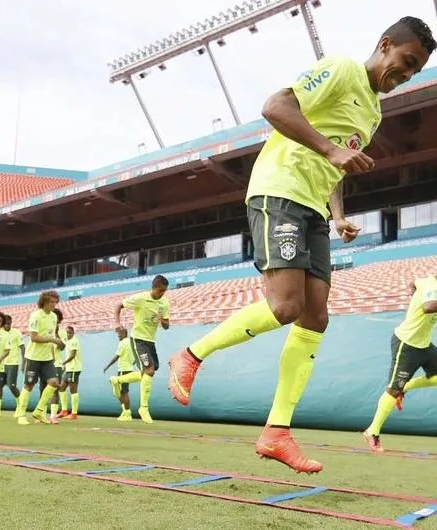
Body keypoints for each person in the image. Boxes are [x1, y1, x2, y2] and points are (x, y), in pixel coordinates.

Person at [167, 17, 436, 473]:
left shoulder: (371, 111)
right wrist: (332, 152)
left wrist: (339, 216)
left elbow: (335, 166)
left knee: (316, 316)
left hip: (313, 209)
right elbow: (275, 107)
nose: (406, 75)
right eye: (406, 62)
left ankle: (277, 432)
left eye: (415, 70)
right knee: (286, 306)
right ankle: (191, 354)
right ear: (385, 44)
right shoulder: (342, 70)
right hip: (279, 190)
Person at [363, 276, 437, 452]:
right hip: (406, 344)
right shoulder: (430, 284)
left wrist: (414, 295)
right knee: (393, 389)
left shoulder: (424, 282)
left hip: (424, 345)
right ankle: (372, 431)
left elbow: (412, 282)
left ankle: (406, 387)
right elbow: (429, 307)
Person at [113, 275, 170, 424]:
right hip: (138, 339)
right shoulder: (140, 298)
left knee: (148, 372)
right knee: (149, 370)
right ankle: (143, 408)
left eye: (164, 291)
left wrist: (161, 319)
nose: (162, 294)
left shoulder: (164, 303)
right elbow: (119, 305)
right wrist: (117, 323)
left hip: (151, 341)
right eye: (160, 291)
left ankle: (118, 380)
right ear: (154, 287)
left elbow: (166, 325)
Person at [14, 290, 66, 425]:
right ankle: (21, 415)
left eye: (55, 302)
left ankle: (39, 411)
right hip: (33, 357)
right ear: (44, 302)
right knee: (28, 385)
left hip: (47, 358)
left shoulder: (54, 317)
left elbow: (53, 335)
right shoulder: (35, 316)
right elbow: (34, 337)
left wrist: (58, 342)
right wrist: (53, 340)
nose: (54, 305)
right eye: (51, 302)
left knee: (54, 383)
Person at [103, 327, 137, 421]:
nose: (118, 336)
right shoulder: (131, 342)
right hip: (129, 369)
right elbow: (136, 357)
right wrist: (131, 364)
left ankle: (127, 413)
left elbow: (116, 357)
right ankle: (125, 412)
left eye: (119, 334)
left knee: (123, 392)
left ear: (123, 333)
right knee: (122, 391)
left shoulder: (122, 343)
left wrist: (107, 366)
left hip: (123, 370)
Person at [0, 314, 24, 418]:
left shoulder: (16, 333)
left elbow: (22, 348)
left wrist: (24, 363)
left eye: (9, 323)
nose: (7, 325)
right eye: (6, 324)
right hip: (2, 364)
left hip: (13, 363)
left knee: (11, 385)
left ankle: (20, 406)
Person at [60, 326, 82, 419]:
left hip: (74, 368)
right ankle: (64, 410)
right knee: (61, 388)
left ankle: (74, 413)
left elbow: (72, 355)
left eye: (70, 333)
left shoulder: (74, 341)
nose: (68, 334)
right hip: (68, 369)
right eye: (67, 333)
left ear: (73, 333)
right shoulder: (68, 341)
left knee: (73, 391)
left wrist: (63, 363)